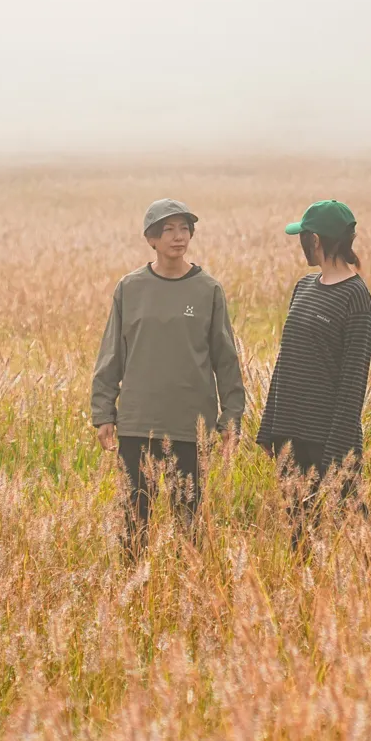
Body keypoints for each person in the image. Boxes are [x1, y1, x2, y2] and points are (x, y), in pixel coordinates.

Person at [91, 198, 246, 558]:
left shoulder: (208, 290)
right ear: (151, 239)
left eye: (184, 228)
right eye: (168, 230)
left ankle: (187, 593)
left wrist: (231, 417)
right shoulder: (130, 288)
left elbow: (226, 360)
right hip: (136, 425)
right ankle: (134, 595)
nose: (178, 237)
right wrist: (103, 413)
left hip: (191, 426)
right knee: (134, 523)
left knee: (189, 526)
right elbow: (111, 353)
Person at [257, 199, 371, 550]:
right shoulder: (304, 288)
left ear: (317, 241)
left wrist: (339, 450)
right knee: (298, 532)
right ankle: (306, 598)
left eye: (303, 236)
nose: (300, 243)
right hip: (289, 433)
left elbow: (354, 381)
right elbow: (286, 362)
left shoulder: (356, 297)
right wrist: (269, 427)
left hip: (328, 438)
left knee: (355, 524)